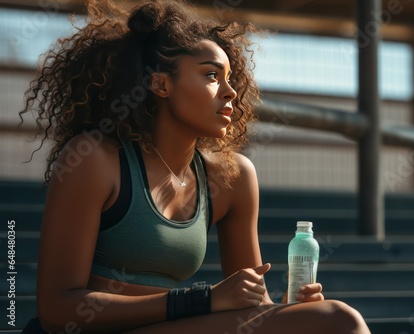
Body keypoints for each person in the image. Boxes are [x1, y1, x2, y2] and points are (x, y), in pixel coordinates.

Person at [20, 0, 371, 333]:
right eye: (211, 75)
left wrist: (288, 309)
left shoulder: (232, 177)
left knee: (325, 321)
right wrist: (199, 300)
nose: (231, 92)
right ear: (161, 83)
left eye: (231, 77)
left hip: (180, 326)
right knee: (341, 320)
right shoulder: (94, 159)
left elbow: (251, 306)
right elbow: (57, 310)